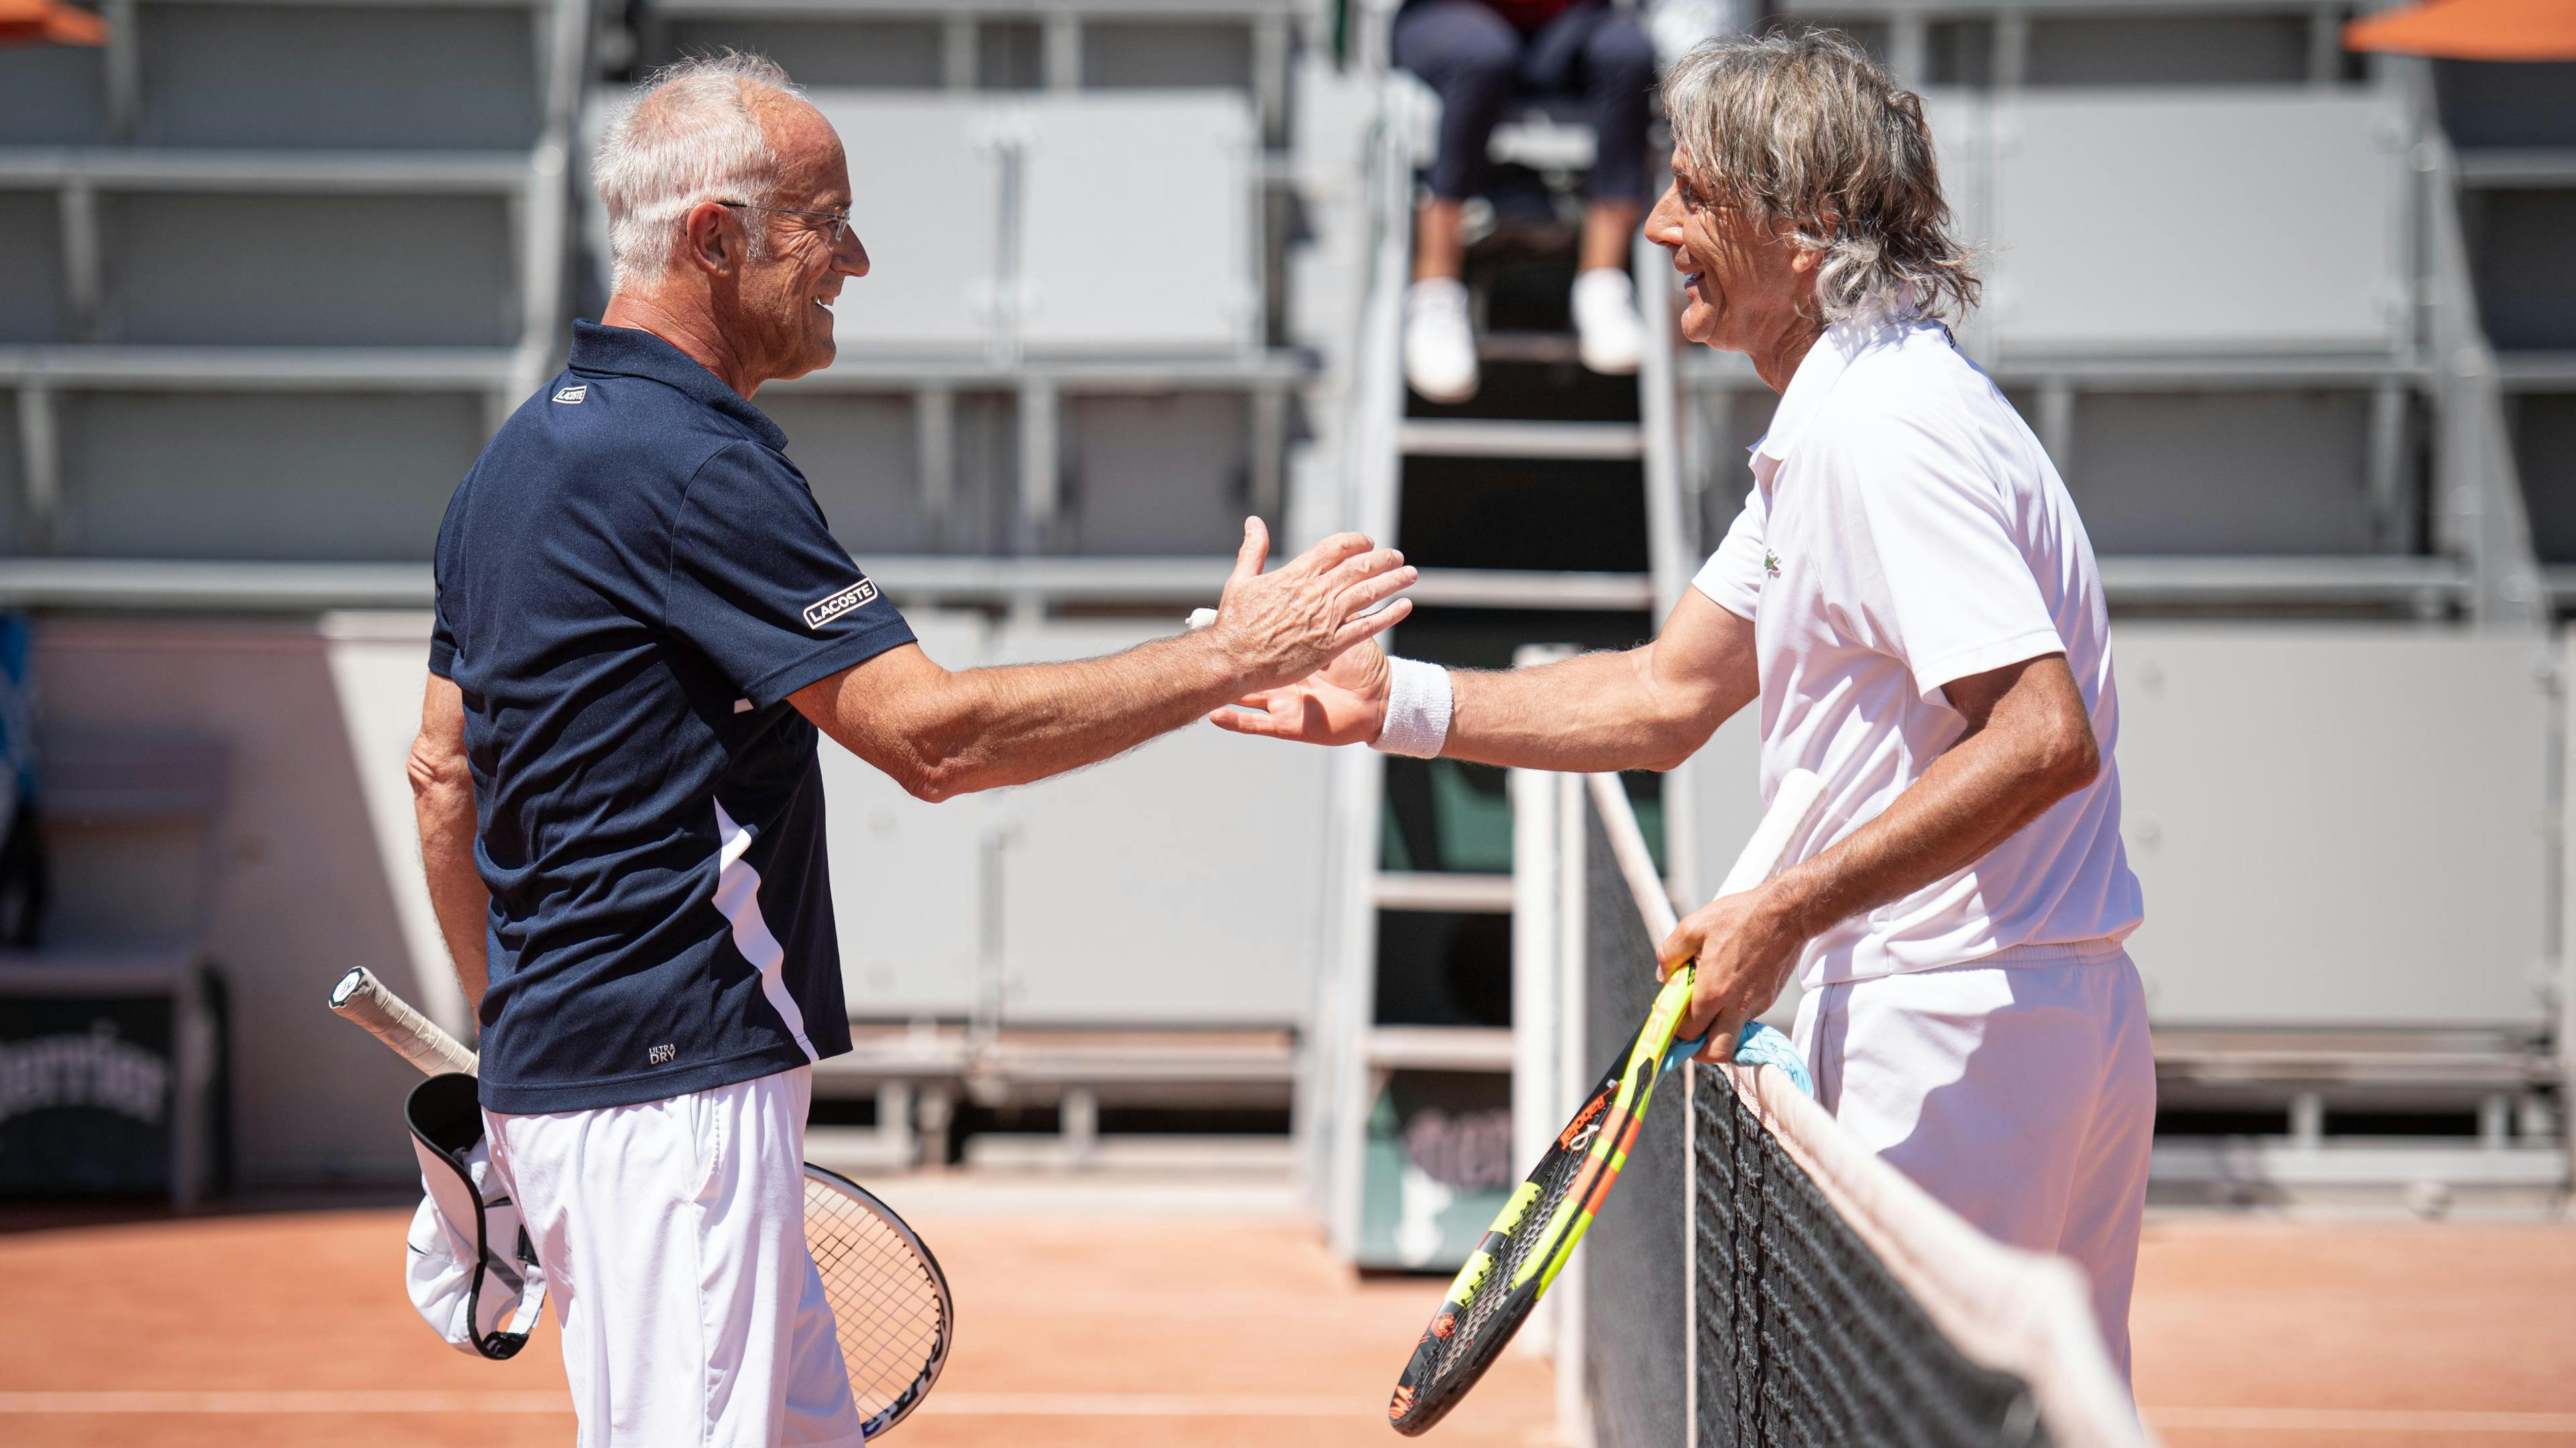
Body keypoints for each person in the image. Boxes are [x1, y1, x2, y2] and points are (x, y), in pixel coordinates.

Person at [407, 53, 1413, 1448]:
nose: (857, 259)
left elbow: (441, 775)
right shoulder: (695, 463)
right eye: (828, 221)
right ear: (719, 236)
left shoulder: (508, 468)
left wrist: (505, 1027)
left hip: (591, 1068)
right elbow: (933, 739)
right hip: (668, 1081)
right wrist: (1230, 657)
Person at [1218, 32, 2154, 1381]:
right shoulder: (1857, 409)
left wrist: (1785, 908)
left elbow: (2038, 733)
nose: (1658, 225)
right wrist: (1392, 701)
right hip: (2014, 1011)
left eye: (1698, 197)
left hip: (1956, 1028)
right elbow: (1664, 693)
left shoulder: (1882, 432)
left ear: (1810, 226)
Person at [1395, 0, 1657, 401]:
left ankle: (1603, 279)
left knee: (1627, 52)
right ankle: (1435, 290)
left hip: (1565, 23)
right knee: (1480, 57)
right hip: (1445, 16)